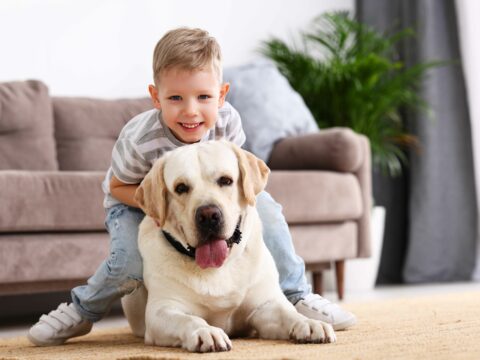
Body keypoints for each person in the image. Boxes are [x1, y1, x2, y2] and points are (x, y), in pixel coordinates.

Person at [28, 27, 356, 346]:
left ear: (221, 95)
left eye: (203, 97)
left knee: (267, 212)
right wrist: (157, 207)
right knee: (127, 258)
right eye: (175, 98)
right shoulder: (140, 138)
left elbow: (245, 175)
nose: (190, 110)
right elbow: (117, 185)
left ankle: (298, 295)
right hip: (132, 197)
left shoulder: (228, 122)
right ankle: (83, 309)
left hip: (181, 195)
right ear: (156, 97)